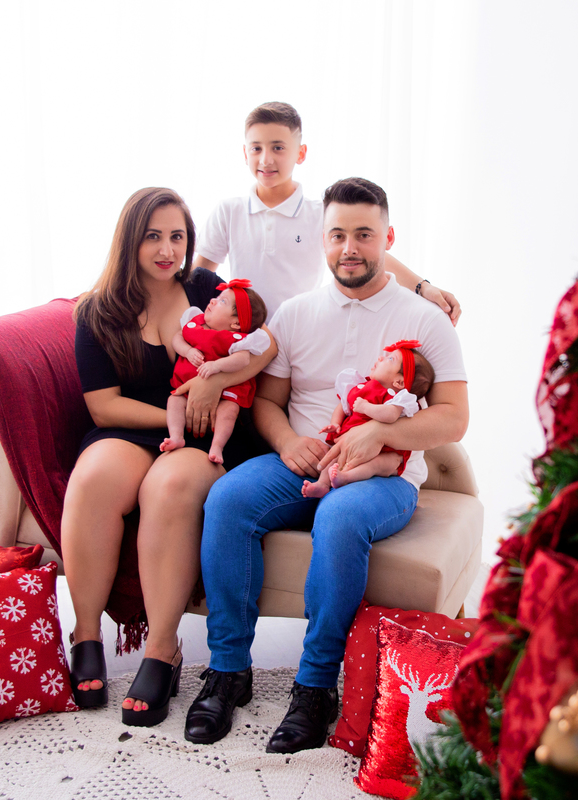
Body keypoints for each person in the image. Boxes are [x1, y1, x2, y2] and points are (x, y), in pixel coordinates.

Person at [184, 177, 468, 752]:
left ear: (388, 237)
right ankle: (228, 669)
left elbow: (454, 418)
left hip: (384, 474)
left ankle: (315, 686)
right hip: (303, 457)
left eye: (364, 234)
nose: (350, 248)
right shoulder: (295, 313)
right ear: (322, 238)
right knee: (228, 500)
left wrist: (374, 436)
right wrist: (286, 439)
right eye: (338, 234)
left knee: (340, 517)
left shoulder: (425, 319)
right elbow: (265, 399)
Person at [63, 187, 275, 728]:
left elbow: (267, 341)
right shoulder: (98, 310)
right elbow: (102, 403)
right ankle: (85, 632)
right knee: (93, 479)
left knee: (169, 487)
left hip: (209, 435)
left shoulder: (206, 287)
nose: (166, 249)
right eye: (153, 236)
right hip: (136, 425)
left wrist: (216, 383)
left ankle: (162, 649)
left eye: (177, 236)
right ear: (129, 240)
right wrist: (175, 410)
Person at [192, 101, 462, 323]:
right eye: (256, 148)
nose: (266, 159)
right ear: (245, 152)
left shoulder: (319, 213)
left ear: (300, 153)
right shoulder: (228, 211)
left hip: (298, 334)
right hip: (240, 337)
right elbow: (199, 279)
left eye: (278, 147)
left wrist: (422, 287)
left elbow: (373, 255)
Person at [301, 340, 434, 499]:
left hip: (385, 452)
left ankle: (345, 477)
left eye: (390, 359)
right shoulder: (362, 386)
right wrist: (335, 423)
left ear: (399, 382)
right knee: (333, 456)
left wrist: (366, 408)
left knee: (377, 464)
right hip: (350, 442)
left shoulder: (396, 398)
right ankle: (322, 484)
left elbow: (390, 415)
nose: (380, 358)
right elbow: (344, 406)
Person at [162, 279, 271, 465]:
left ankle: (217, 446)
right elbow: (177, 338)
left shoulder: (236, 339)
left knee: (229, 411)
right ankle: (176, 436)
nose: (212, 300)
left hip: (226, 393)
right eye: (217, 297)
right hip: (186, 386)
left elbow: (243, 359)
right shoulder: (195, 323)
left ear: (236, 323)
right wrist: (187, 351)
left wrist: (217, 366)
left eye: (222, 302)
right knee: (174, 400)